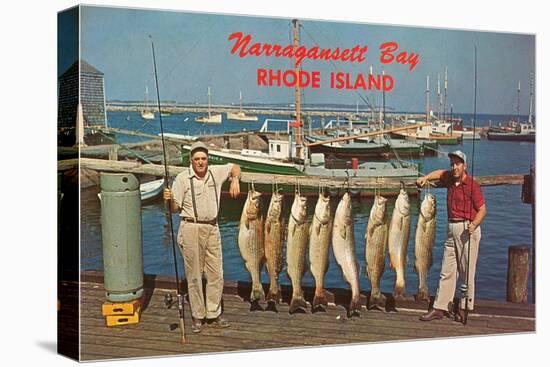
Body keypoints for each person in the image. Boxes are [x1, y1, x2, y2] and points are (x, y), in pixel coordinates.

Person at [163, 141, 241, 333]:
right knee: (195, 275)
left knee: (216, 273)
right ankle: (198, 315)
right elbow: (174, 209)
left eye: (203, 159)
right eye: (196, 159)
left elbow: (235, 167)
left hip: (213, 228)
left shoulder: (216, 172)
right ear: (191, 160)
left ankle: (214, 312)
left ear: (207, 159)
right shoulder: (182, 179)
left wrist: (235, 179)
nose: (200, 162)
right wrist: (169, 200)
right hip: (190, 228)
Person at [417, 150, 486, 323]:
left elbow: (483, 209)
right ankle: (440, 307)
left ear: (465, 166)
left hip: (467, 229)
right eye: (453, 164)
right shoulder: (449, 178)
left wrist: (474, 224)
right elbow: (439, 173)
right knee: (446, 270)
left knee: (466, 272)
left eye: (458, 163)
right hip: (451, 227)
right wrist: (426, 177)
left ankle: (464, 307)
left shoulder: (472, 185)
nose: (455, 167)